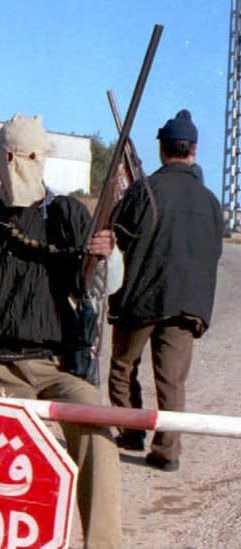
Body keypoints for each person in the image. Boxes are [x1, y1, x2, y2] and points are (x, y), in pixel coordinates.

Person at [0, 114, 125, 548]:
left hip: (56, 368)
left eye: (33, 156)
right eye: (18, 156)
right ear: (3, 158)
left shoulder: (68, 216)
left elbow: (104, 286)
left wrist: (107, 255)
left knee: (98, 438)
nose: (23, 163)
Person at [108, 109, 224, 472]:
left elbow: (117, 238)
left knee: (123, 367)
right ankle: (167, 451)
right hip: (187, 304)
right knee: (171, 380)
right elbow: (213, 252)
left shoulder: (145, 190)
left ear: (162, 149)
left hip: (140, 299)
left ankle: (130, 433)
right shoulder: (210, 202)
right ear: (194, 150)